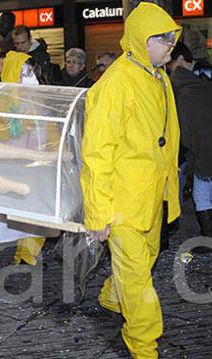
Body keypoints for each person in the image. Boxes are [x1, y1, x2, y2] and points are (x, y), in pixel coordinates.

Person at [80, 3, 181, 357]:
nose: (171, 44)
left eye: (172, 38)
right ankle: (143, 345)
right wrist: (97, 214)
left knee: (147, 258)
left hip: (150, 196)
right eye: (164, 39)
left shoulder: (157, 75)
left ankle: (111, 295)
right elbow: (97, 153)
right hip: (123, 202)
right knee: (138, 277)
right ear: (143, 39)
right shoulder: (116, 83)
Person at [0, 51, 49, 267]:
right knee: (9, 220)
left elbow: (48, 133)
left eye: (32, 73)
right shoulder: (1, 104)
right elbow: (0, 143)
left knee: (41, 215)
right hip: (13, 171)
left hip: (40, 168)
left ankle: (27, 255)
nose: (31, 79)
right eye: (24, 73)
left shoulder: (42, 99)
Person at [170, 41, 212, 252]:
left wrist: (187, 147)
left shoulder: (184, 85)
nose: (169, 67)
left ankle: (210, 240)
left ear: (180, 59)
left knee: (201, 194)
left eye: (171, 62)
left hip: (205, 148)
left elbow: (186, 122)